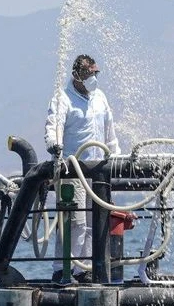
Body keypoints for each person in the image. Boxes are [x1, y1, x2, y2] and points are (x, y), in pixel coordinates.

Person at [44, 54, 121, 282]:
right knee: (73, 221)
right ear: (77, 75)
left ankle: (83, 268)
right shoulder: (63, 98)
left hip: (98, 171)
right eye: (89, 74)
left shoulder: (100, 97)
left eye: (96, 74)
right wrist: (54, 144)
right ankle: (62, 267)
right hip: (73, 169)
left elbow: (110, 130)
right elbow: (53, 125)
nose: (93, 78)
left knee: (92, 223)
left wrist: (116, 158)